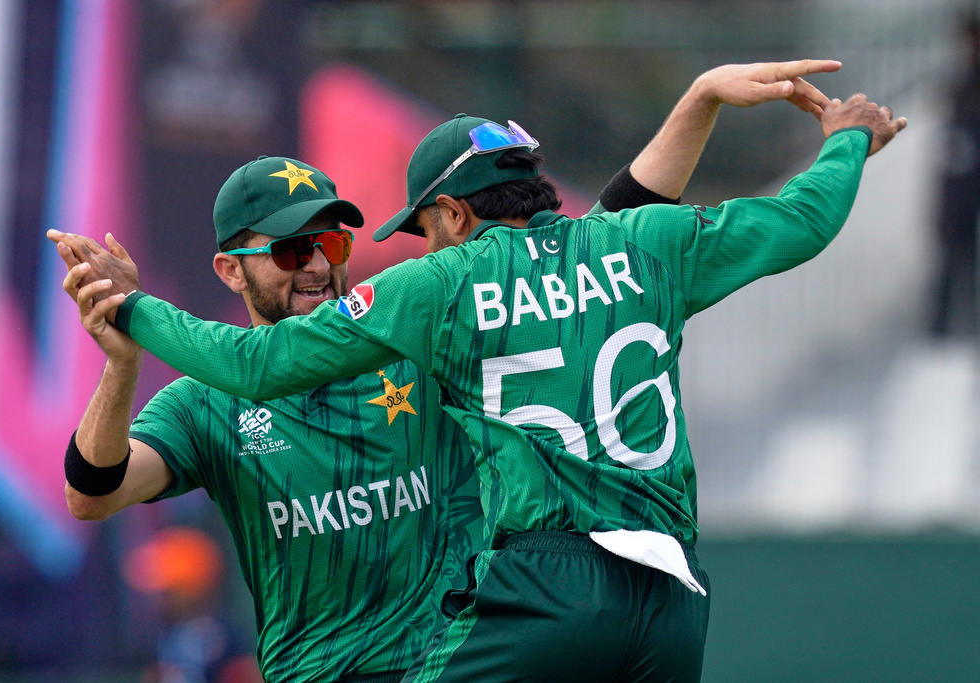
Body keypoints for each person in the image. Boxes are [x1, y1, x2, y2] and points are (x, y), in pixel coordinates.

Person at [50, 60, 855, 682]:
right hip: (348, 663)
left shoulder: (428, 327)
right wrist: (121, 366)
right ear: (231, 270)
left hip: (480, 642)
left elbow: (576, 252)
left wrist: (135, 310)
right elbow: (92, 492)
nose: (320, 267)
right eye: (295, 249)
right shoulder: (205, 400)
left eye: (331, 244)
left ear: (453, 214)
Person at [122, 526, 262, 683]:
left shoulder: (209, 635)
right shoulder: (175, 631)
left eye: (168, 591)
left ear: (191, 588)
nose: (159, 598)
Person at [930, 11, 980, 337]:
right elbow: (952, 146)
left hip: (963, 187)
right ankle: (941, 328)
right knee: (953, 258)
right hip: (962, 189)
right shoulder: (963, 85)